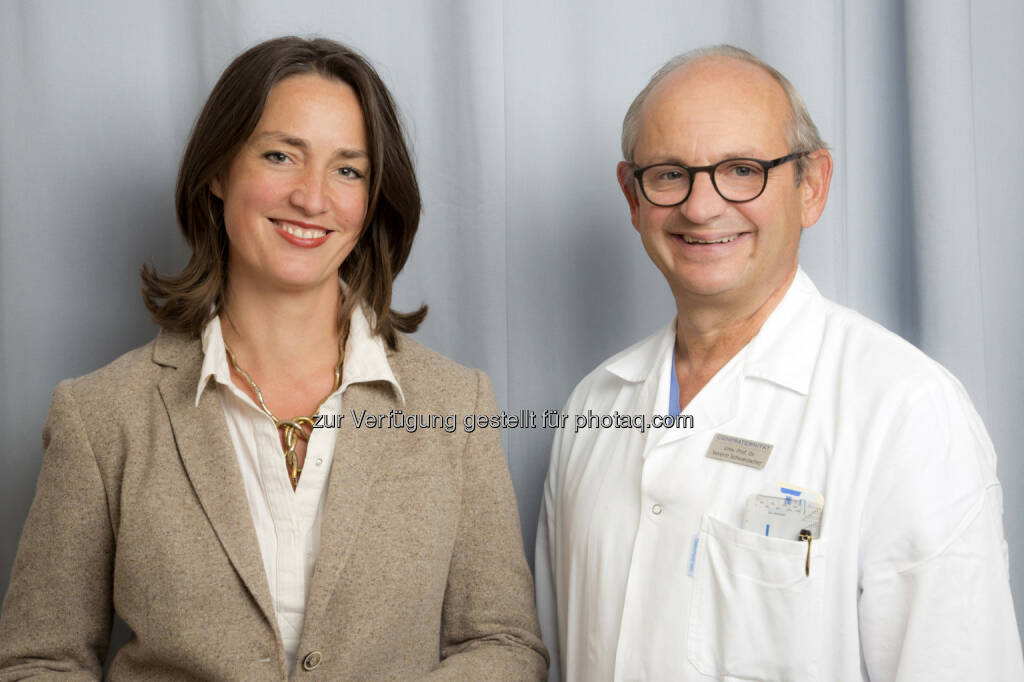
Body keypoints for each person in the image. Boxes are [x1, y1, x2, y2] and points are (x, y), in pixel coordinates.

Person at [0, 36, 546, 680]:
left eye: (349, 169)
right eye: (281, 155)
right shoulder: (100, 416)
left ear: (372, 201)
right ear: (218, 170)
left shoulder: (456, 405)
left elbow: (504, 645)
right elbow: (40, 659)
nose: (312, 199)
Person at [535, 44, 1024, 681]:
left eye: (742, 170)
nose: (701, 206)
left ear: (812, 187)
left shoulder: (904, 412)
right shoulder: (594, 406)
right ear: (632, 197)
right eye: (669, 173)